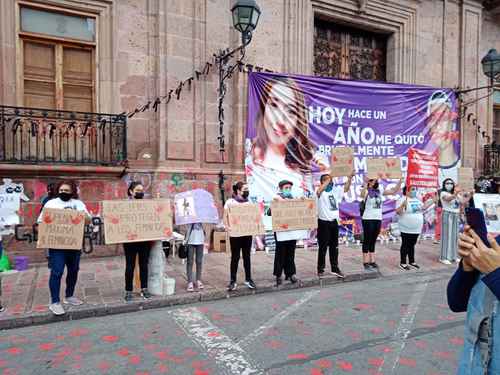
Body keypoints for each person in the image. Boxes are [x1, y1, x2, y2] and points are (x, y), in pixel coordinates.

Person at [245, 76, 329, 228]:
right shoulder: (249, 157)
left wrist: (326, 171)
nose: (281, 121)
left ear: (298, 120)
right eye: (274, 105)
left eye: (290, 111)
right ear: (263, 108)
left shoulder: (306, 165)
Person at [449, 225, 500, 374]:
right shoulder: (491, 247)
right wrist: (467, 266)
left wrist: (496, 273)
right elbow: (456, 302)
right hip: (474, 365)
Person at [38, 180, 91, 316]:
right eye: (61, 190)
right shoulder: (51, 203)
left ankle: (69, 296)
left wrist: (83, 216)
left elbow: (88, 220)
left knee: (73, 270)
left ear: (72, 191)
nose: (64, 193)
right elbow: (40, 221)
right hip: (57, 246)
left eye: (67, 191)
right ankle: (55, 302)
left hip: (74, 244)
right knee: (57, 271)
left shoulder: (78, 204)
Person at [315, 172, 354, 278]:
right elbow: (319, 190)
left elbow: (345, 189)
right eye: (327, 180)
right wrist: (330, 177)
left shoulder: (334, 190)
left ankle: (335, 268)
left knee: (334, 247)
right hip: (323, 222)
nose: (330, 181)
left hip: (334, 222)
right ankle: (320, 269)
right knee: (323, 247)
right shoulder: (319, 192)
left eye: (331, 180)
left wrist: (349, 178)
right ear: (322, 182)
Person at [360, 177, 402, 270]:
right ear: (369, 182)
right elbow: (362, 194)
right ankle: (365, 261)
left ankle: (372, 260)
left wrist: (400, 181)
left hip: (378, 218)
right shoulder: (366, 190)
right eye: (373, 180)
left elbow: (393, 191)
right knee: (367, 239)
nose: (375, 181)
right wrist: (367, 184)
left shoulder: (380, 190)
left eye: (376, 180)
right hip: (368, 218)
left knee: (373, 240)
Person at [224, 181, 256, 291]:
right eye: (245, 189)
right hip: (235, 234)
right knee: (235, 257)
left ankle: (248, 279)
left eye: (247, 189)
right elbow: (225, 217)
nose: (247, 192)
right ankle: (233, 281)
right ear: (238, 191)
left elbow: (254, 216)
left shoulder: (249, 202)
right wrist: (227, 226)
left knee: (247, 256)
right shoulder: (230, 202)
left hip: (247, 233)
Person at [273, 180, 306, 286]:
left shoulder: (292, 198)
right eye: (286, 188)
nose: (288, 190)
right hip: (281, 231)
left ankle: (291, 274)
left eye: (290, 188)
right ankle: (279, 275)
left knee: (290, 253)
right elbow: (270, 210)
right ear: (281, 188)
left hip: (291, 231)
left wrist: (301, 201)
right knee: (280, 253)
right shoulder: (276, 198)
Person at [123, 182, 152, 302]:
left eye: (141, 190)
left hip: (144, 239)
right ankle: (128, 290)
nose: (140, 192)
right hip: (130, 240)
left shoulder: (147, 205)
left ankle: (144, 288)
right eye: (137, 190)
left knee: (144, 265)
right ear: (131, 191)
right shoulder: (124, 206)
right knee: (130, 265)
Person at [425, 90, 460, 170]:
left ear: (452, 122)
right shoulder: (425, 169)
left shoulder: (462, 166)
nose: (438, 126)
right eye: (433, 119)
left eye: (443, 118)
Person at [396, 186, 425, 270]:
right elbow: (398, 212)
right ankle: (403, 262)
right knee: (405, 244)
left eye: (415, 189)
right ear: (407, 191)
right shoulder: (402, 199)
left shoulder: (417, 200)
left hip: (416, 227)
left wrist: (433, 200)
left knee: (412, 244)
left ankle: (412, 261)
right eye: (412, 189)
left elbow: (423, 208)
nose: (414, 191)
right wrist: (402, 205)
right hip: (406, 226)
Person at [439, 178, 461, 264]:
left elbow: (462, 201)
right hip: (447, 214)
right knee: (446, 236)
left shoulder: (456, 194)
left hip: (456, 215)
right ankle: (443, 257)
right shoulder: (443, 193)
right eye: (447, 183)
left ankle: (453, 256)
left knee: (455, 236)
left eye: (451, 183)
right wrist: (455, 193)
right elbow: (447, 199)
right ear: (444, 184)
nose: (450, 185)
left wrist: (470, 194)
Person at [185, 222, 205, 292]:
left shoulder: (202, 214)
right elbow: (186, 226)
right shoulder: (189, 213)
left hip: (200, 240)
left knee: (199, 261)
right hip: (190, 240)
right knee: (190, 261)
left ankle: (198, 280)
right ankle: (190, 282)